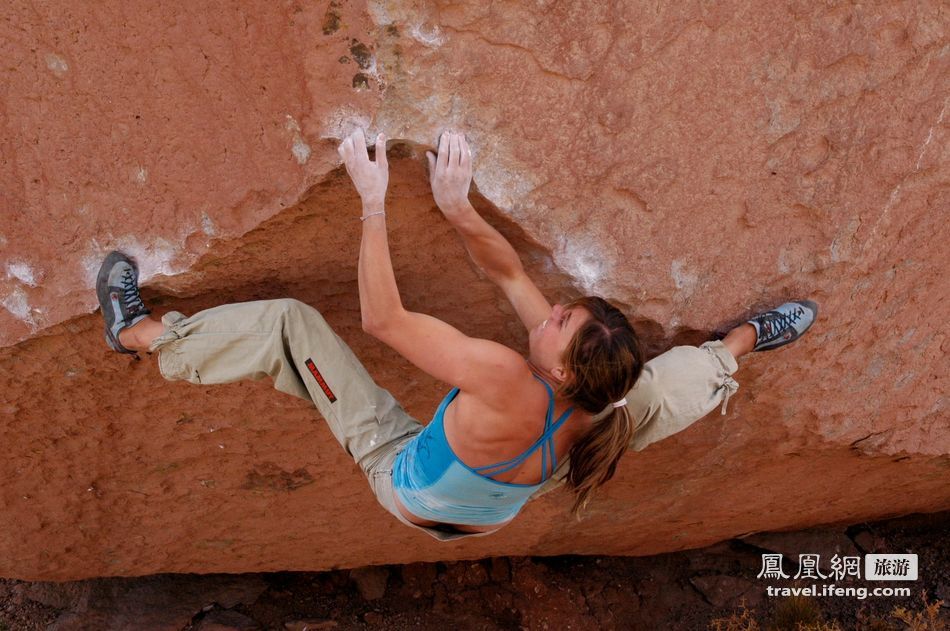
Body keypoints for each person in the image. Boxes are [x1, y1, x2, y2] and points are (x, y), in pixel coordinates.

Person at [96, 129, 817, 541]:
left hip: (405, 484)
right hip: (490, 511)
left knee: (290, 323)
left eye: (562, 321)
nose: (554, 309)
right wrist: (459, 209)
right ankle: (744, 343)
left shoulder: (507, 374)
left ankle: (138, 333)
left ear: (564, 371)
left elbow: (383, 321)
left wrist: (372, 206)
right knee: (655, 395)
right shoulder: (601, 396)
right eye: (570, 309)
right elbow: (510, 281)